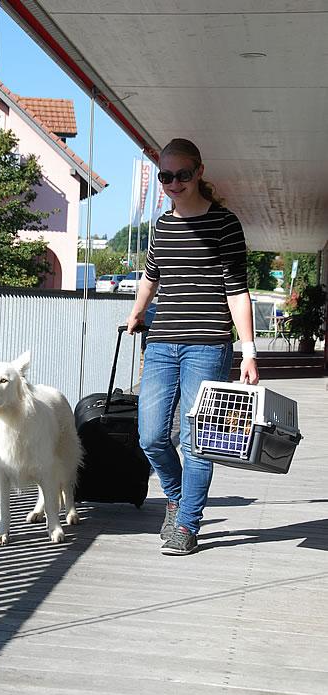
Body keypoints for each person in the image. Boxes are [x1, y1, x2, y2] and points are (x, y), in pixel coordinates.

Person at [126, 138, 259, 556]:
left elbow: (237, 291)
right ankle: (177, 495)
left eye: (182, 175)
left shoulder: (224, 223)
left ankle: (186, 525)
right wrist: (137, 312)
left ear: (199, 172)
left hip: (208, 346)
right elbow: (151, 274)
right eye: (166, 176)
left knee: (198, 439)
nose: (173, 183)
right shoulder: (163, 226)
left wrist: (249, 351)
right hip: (162, 342)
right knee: (151, 436)